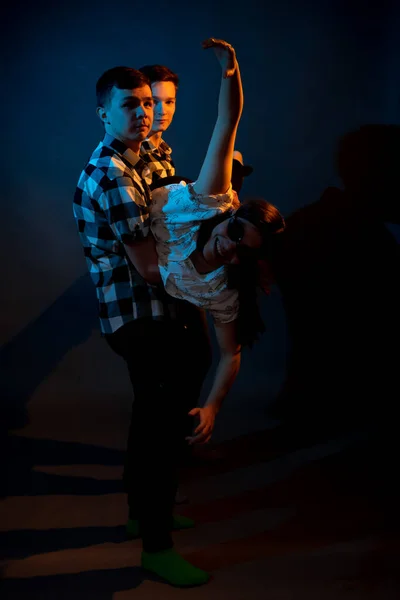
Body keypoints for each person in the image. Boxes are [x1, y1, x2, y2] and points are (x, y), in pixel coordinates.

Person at [138, 63, 254, 193]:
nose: (162, 110)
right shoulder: (136, 153)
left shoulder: (163, 151)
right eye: (154, 102)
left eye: (169, 102)